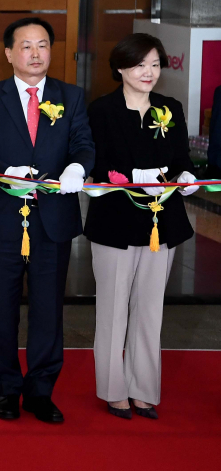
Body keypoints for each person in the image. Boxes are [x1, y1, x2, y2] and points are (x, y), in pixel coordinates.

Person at [0, 16, 94, 424]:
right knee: (1, 308)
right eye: (26, 46)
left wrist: (77, 168)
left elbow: (83, 144)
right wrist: (7, 172)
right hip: (5, 219)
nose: (35, 53)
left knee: (48, 309)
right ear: (9, 54)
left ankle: (41, 390)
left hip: (53, 220)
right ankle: (6, 388)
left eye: (43, 45)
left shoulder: (70, 96)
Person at [83, 33, 196, 420]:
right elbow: (96, 164)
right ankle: (113, 389)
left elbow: (182, 159)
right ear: (120, 68)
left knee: (150, 311)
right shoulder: (101, 110)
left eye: (155, 64)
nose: (149, 72)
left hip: (161, 224)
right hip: (115, 223)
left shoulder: (170, 108)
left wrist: (185, 176)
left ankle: (144, 389)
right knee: (113, 311)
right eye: (139, 65)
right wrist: (132, 177)